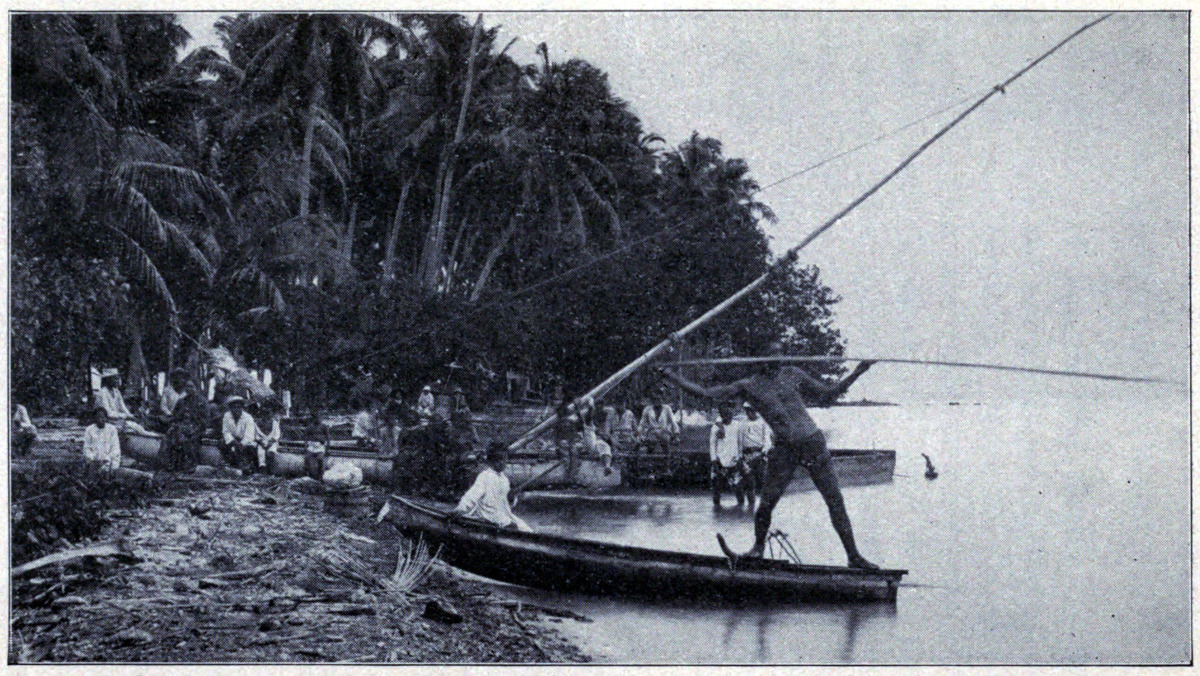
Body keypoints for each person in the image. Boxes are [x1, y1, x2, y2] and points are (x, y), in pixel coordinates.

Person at [660, 347, 879, 569]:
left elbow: (828, 395)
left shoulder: (792, 373)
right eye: (771, 361)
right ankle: (758, 548)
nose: (776, 365)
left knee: (835, 500)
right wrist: (671, 376)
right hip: (784, 448)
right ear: (761, 361)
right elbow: (706, 393)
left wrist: (858, 372)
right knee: (766, 504)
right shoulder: (749, 385)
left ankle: (853, 556)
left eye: (778, 359)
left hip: (812, 442)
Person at [452, 441, 532, 531]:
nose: (503, 463)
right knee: (512, 527)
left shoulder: (504, 479)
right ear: (491, 461)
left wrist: (511, 498)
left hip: (501, 514)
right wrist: (460, 509)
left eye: (505, 459)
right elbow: (472, 495)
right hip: (488, 514)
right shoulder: (485, 476)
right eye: (499, 460)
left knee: (525, 528)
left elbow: (506, 504)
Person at [162, 370, 207, 472]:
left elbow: (204, 420)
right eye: (187, 386)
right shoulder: (181, 401)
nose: (189, 389)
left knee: (185, 437)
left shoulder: (202, 402)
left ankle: (189, 464)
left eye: (191, 386)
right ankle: (170, 463)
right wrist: (174, 424)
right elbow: (175, 416)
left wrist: (195, 428)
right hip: (181, 426)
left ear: (196, 388)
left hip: (196, 427)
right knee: (170, 435)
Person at [709, 400, 744, 508]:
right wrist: (714, 460)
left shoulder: (738, 426)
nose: (727, 415)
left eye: (729, 412)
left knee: (738, 489)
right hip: (720, 460)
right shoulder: (715, 427)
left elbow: (740, 443)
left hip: (734, 460)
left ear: (732, 413)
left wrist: (739, 458)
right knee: (717, 489)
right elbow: (712, 445)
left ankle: (740, 511)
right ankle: (717, 510)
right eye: (724, 413)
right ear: (721, 414)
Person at [738, 402, 773, 507]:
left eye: (752, 410)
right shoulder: (742, 423)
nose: (750, 413)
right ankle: (751, 506)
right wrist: (740, 455)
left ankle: (764, 507)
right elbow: (740, 441)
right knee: (749, 483)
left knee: (763, 482)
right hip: (747, 456)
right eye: (748, 411)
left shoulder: (763, 423)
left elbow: (767, 440)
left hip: (760, 454)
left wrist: (763, 452)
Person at [220, 395, 258, 472]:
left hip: (245, 442)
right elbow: (226, 432)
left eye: (238, 407)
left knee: (249, 449)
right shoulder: (227, 416)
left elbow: (249, 435)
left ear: (242, 408)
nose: (236, 409)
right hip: (233, 441)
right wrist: (234, 442)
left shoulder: (248, 418)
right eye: (234, 407)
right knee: (222, 443)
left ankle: (245, 465)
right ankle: (228, 462)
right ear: (230, 408)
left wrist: (241, 444)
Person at [578, 397, 614, 476]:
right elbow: (588, 415)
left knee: (605, 445)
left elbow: (598, 431)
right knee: (604, 445)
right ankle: (607, 466)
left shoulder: (591, 424)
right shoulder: (587, 422)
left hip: (591, 444)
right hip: (587, 445)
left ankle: (607, 466)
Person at [82, 406, 121, 470]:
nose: (102, 419)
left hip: (109, 460)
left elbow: (115, 448)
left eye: (103, 417)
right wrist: (93, 458)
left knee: (107, 469)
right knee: (93, 468)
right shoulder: (89, 430)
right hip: (94, 461)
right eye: (99, 417)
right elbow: (86, 448)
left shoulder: (112, 429)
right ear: (95, 418)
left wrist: (106, 459)